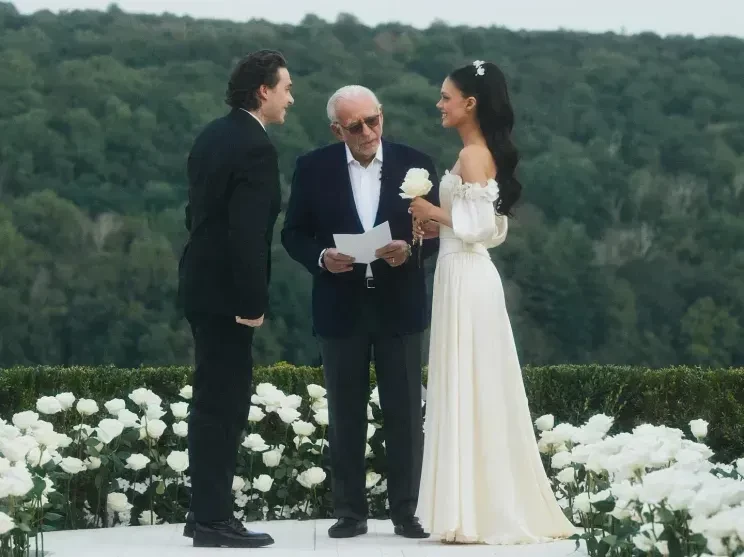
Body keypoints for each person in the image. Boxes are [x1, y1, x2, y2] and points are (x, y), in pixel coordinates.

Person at [408, 61, 577, 544]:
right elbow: (489, 224)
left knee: (472, 380)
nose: (439, 104)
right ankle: (470, 507)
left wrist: (432, 210)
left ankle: (477, 510)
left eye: (446, 97)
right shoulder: (475, 154)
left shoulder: (474, 155)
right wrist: (437, 224)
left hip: (467, 275)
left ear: (470, 103)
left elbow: (484, 227)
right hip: (460, 270)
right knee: (470, 380)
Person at [281, 85, 438, 539]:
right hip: (340, 304)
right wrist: (321, 257)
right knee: (345, 412)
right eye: (355, 126)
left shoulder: (417, 163)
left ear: (382, 116)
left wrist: (410, 250)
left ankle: (407, 511)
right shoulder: (312, 167)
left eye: (374, 120)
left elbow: (438, 232)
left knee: (404, 412)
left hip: (400, 304)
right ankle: (350, 512)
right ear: (337, 130)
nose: (368, 131)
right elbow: (293, 233)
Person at [177, 49, 293, 548]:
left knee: (210, 400)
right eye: (286, 88)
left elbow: (195, 214)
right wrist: (252, 301)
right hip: (228, 294)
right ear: (263, 91)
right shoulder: (255, 147)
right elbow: (248, 234)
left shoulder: (212, 134)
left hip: (199, 283)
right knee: (224, 405)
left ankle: (203, 512)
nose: (291, 98)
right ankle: (213, 520)